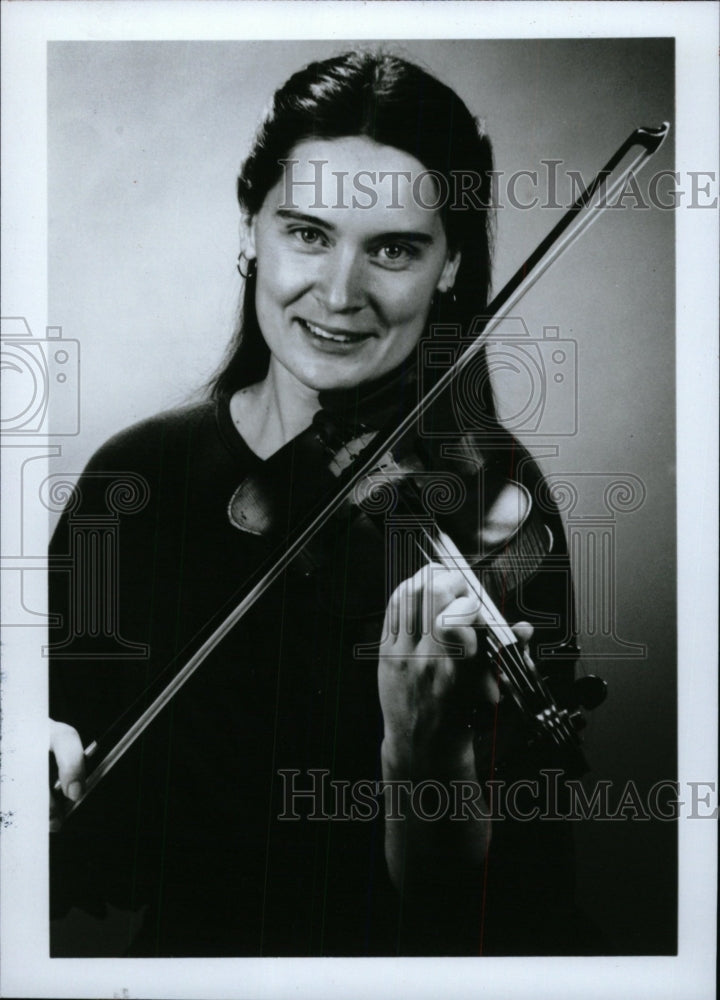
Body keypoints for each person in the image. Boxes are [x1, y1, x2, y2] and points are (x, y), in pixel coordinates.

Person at [49, 50, 583, 957]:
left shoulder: (496, 507)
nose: (339, 295)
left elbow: (498, 914)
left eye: (395, 248)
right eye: (307, 233)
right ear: (250, 228)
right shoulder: (134, 481)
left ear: (451, 265)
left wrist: (423, 756)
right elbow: (81, 830)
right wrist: (42, 761)